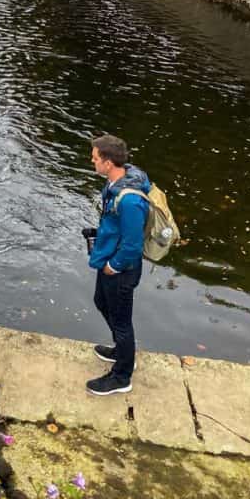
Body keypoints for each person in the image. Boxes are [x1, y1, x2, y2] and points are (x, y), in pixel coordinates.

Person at [87, 134, 150, 396]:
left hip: (120, 269)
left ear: (109, 162)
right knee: (101, 301)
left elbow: (133, 245)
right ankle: (123, 352)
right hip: (109, 260)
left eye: (95, 158)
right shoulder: (114, 184)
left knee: (122, 322)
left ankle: (122, 376)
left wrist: (114, 265)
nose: (92, 162)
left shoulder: (130, 200)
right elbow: (116, 224)